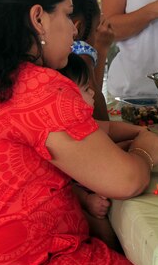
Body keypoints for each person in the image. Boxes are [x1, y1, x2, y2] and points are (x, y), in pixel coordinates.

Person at [0, 0, 158, 265]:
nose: (73, 29)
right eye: (67, 15)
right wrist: (145, 153)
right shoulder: (40, 87)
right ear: (38, 18)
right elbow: (125, 180)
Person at [59, 53, 149, 252]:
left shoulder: (85, 122)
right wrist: (87, 200)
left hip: (95, 187)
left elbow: (109, 129)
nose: (92, 92)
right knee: (104, 232)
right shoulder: (63, 129)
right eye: (85, 89)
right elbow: (68, 187)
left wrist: (139, 132)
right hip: (79, 201)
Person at [69, 0, 114, 120]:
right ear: (77, 27)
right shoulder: (79, 52)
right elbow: (100, 120)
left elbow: (91, 93)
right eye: (96, 29)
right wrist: (96, 51)